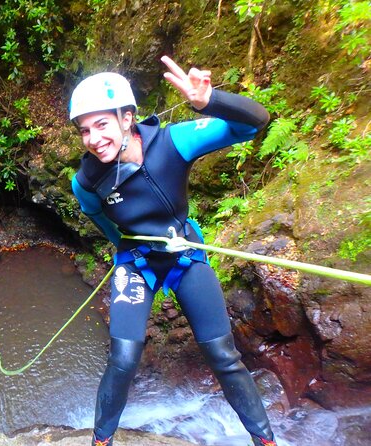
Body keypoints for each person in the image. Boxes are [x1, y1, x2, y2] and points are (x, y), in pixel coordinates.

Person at [69, 56, 276, 446]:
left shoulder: (173, 142)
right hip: (137, 264)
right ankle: (101, 440)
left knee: (223, 356)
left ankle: (264, 441)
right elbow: (103, 222)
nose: (93, 139)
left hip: (185, 257)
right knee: (123, 359)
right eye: (84, 130)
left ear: (127, 118)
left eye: (102, 124)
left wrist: (210, 100)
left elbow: (254, 122)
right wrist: (129, 251)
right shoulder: (87, 182)